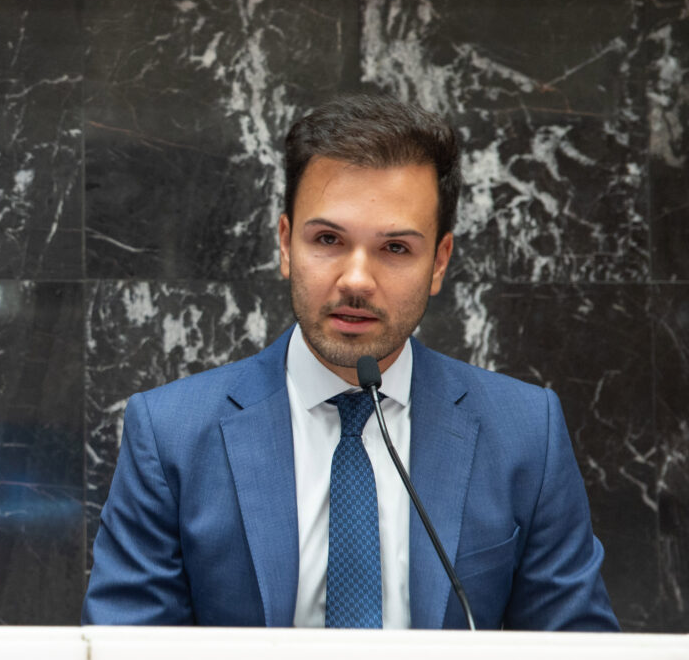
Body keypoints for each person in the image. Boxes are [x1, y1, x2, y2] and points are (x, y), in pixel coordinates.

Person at [84, 95, 618, 630]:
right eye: (329, 239)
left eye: (395, 249)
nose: (357, 279)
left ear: (439, 261)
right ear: (287, 244)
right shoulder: (171, 434)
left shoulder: (525, 432)